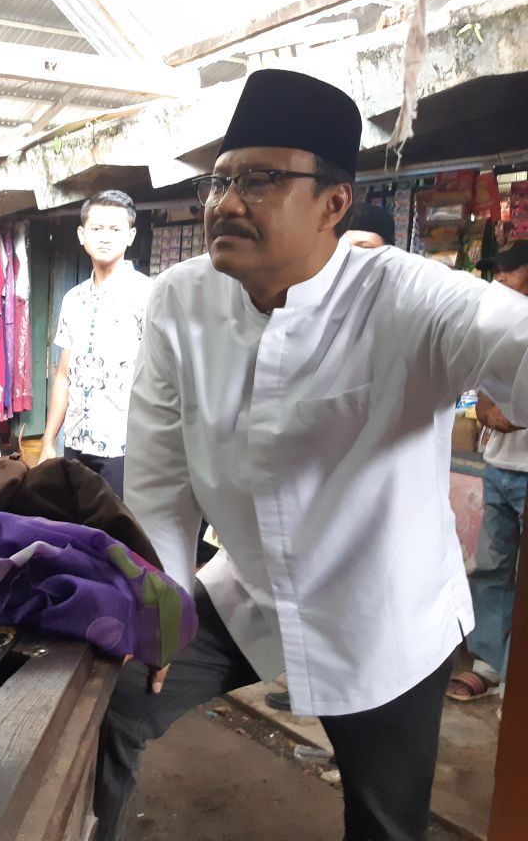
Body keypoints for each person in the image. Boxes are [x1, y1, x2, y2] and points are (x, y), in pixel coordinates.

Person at [96, 68, 528, 841]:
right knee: (114, 702)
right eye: (220, 181)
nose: (226, 202)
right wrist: (156, 610)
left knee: (384, 821)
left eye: (260, 180)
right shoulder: (180, 301)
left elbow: (513, 342)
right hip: (250, 591)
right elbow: (160, 480)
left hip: (382, 615)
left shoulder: (408, 297)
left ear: (333, 204)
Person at [263, 199, 397, 713]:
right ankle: (308, 686)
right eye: (346, 252)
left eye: (367, 252)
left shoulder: (407, 316)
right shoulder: (303, 322)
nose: (353, 268)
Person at [446, 240, 528, 702]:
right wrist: (485, 405)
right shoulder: (495, 328)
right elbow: (478, 392)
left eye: (509, 272)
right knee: (492, 567)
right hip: (500, 465)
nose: (499, 281)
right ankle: (488, 663)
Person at [39, 190, 153, 497]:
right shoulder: (73, 299)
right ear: (82, 234)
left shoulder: (147, 295)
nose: (105, 237)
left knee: (119, 536)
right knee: (78, 530)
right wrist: (50, 440)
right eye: (97, 228)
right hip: (76, 443)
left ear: (130, 236)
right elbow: (64, 375)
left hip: (125, 447)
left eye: (115, 229)